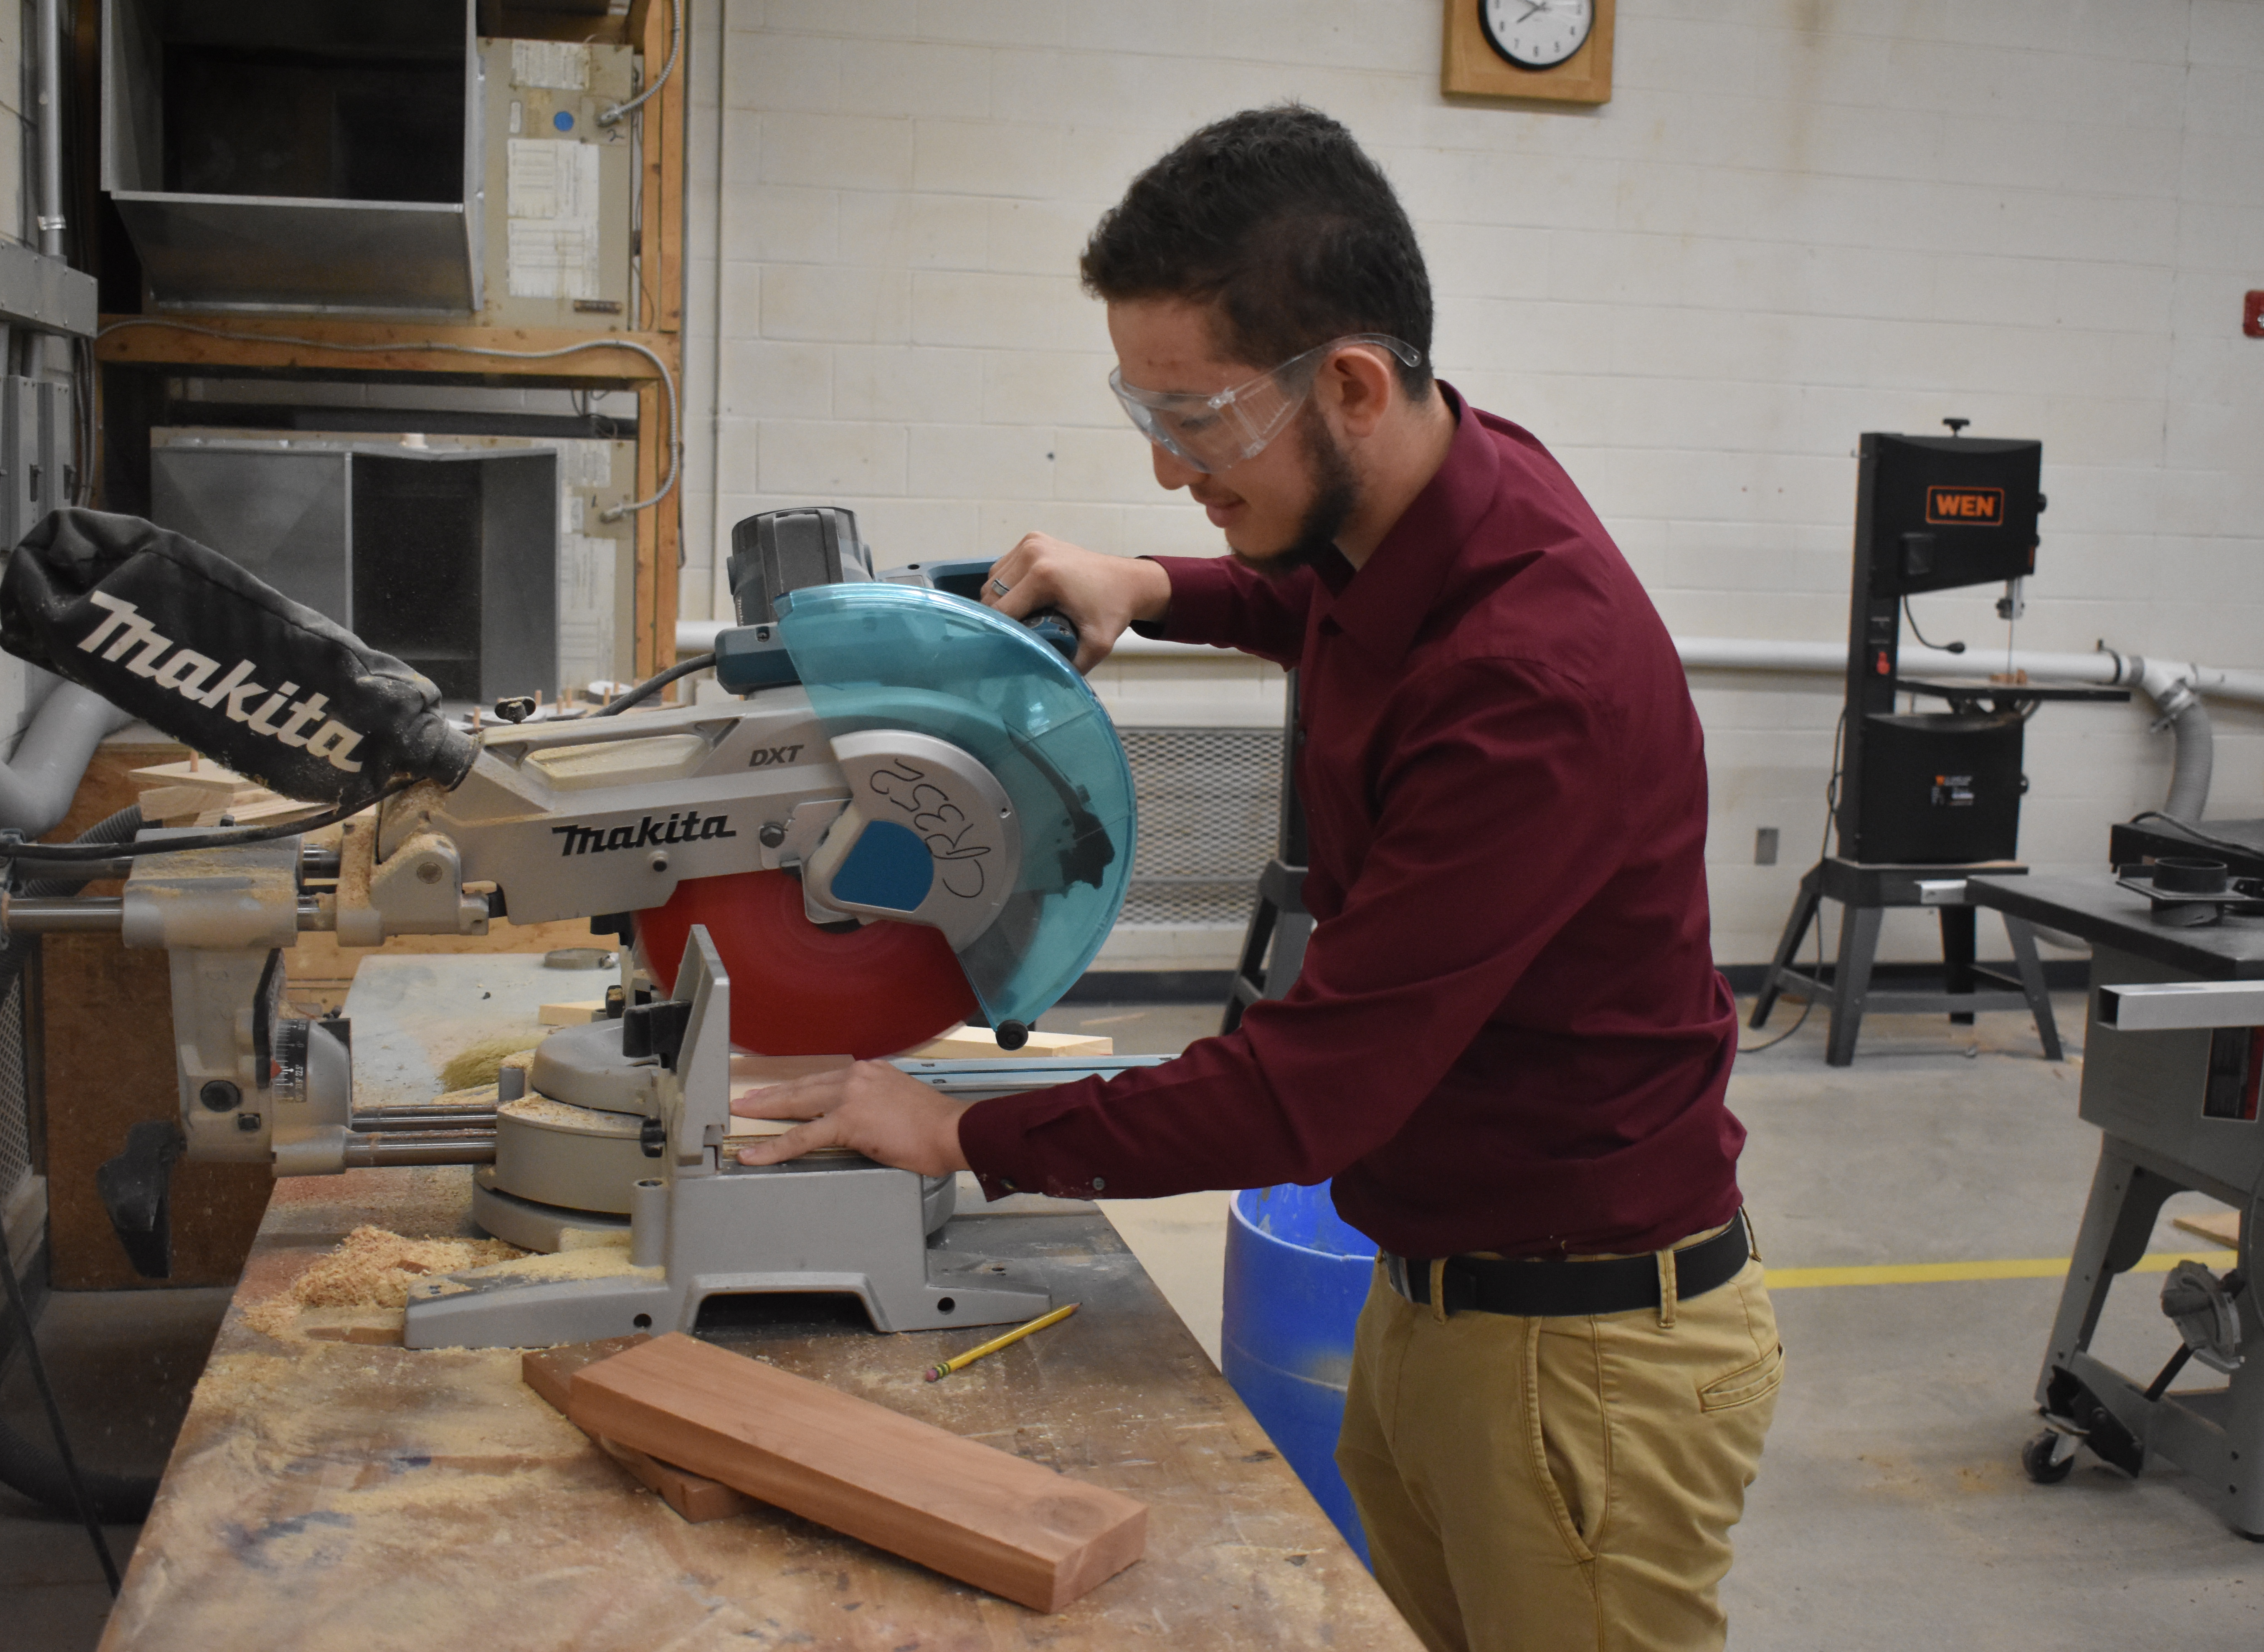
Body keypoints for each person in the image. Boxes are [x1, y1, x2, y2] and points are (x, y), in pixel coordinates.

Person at [732, 104, 1780, 1652]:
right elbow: (1331, 600)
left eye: (1199, 420)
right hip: (1446, 1298)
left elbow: (1303, 1098)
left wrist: (955, 1128)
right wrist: (1154, 588)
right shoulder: (1444, 495)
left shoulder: (1529, 689)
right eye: (1143, 413)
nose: (1167, 468)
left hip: (1583, 1364)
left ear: (1349, 384)